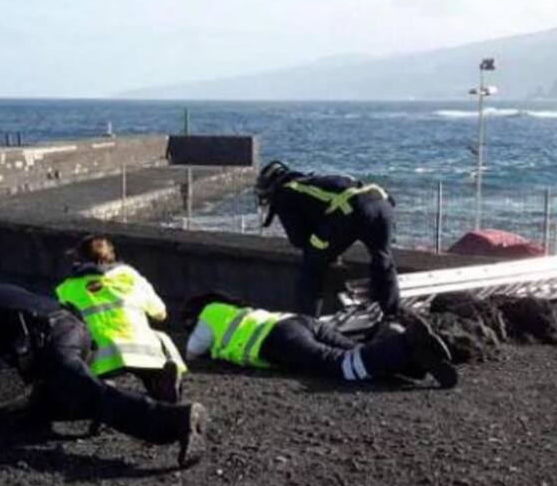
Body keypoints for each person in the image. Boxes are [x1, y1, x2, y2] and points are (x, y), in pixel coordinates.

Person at [0, 281, 208, 468]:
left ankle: (176, 421)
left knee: (90, 395)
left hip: (47, 340)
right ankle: (93, 399)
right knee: (32, 415)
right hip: (74, 329)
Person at [181, 293, 458, 388]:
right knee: (360, 354)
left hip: (278, 341)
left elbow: (193, 351)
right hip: (298, 322)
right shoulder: (238, 311)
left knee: (343, 367)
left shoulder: (210, 314)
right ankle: (414, 360)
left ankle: (404, 342)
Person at [255, 161, 399, 316]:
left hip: (351, 211)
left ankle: (309, 321)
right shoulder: (312, 181)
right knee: (383, 258)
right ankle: (391, 314)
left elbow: (299, 239)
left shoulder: (286, 193)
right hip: (381, 202)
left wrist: (325, 251)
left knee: (311, 267)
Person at [55, 235, 185, 403]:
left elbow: (67, 327)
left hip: (98, 358)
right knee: (162, 338)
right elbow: (160, 313)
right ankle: (160, 383)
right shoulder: (130, 277)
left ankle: (104, 390)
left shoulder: (65, 289)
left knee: (82, 351)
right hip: (142, 350)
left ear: (78, 260)